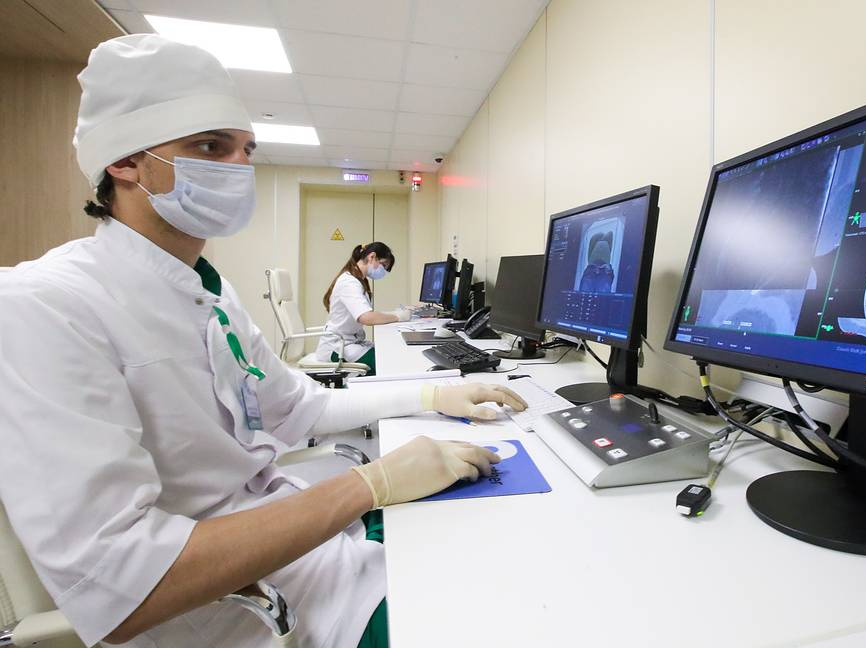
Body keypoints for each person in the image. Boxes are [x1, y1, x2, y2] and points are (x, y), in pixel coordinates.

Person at [0, 34, 526, 648]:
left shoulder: (208, 291)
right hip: (250, 612)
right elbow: (122, 584)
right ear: (124, 162)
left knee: (506, 547)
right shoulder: (45, 304)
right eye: (209, 147)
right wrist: (369, 485)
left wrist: (432, 397)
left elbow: (305, 407)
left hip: (313, 543)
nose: (237, 168)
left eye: (245, 149)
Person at [316, 242, 410, 372]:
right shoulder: (349, 282)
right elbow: (366, 317)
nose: (383, 271)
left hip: (350, 342)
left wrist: (395, 313)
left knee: (389, 352)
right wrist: (398, 317)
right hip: (338, 348)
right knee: (386, 364)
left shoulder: (359, 280)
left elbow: (367, 312)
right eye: (383, 265)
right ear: (372, 257)